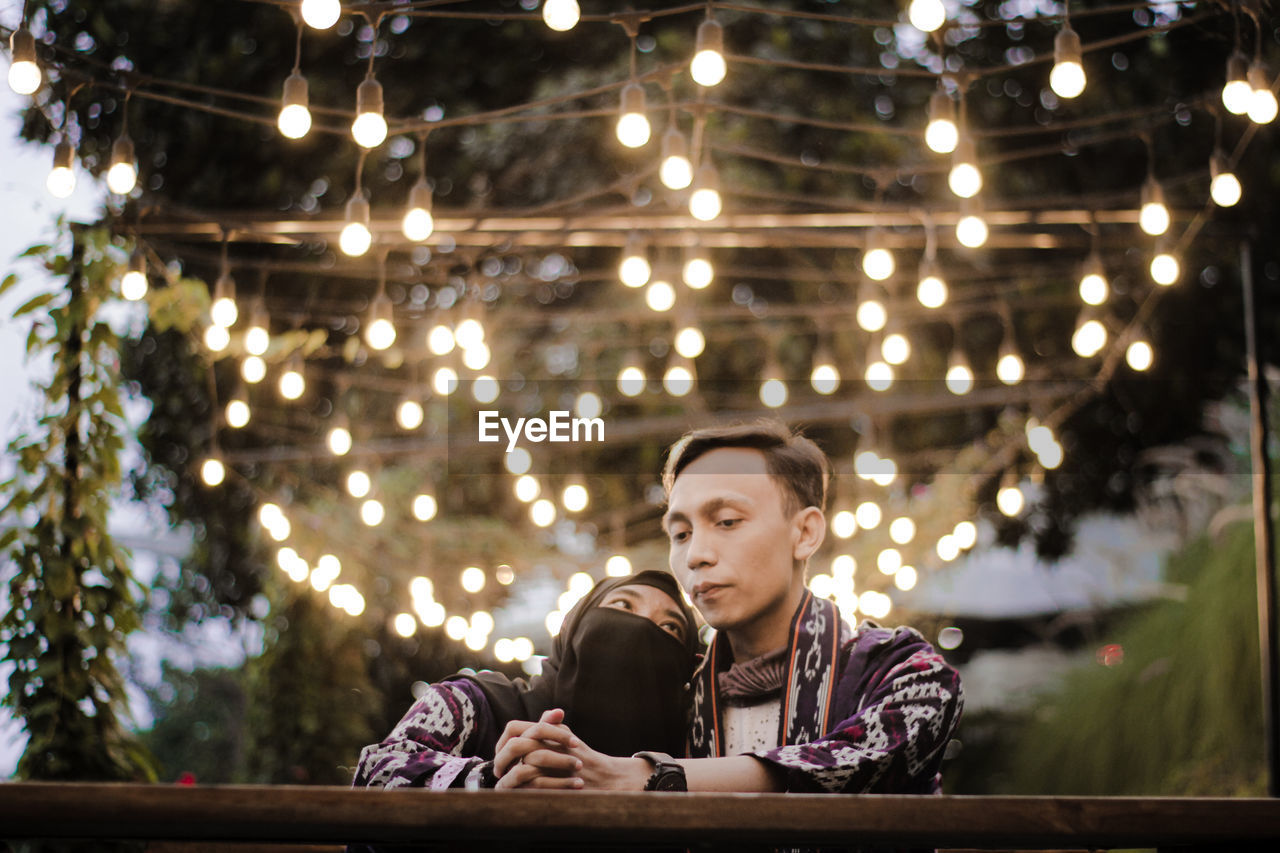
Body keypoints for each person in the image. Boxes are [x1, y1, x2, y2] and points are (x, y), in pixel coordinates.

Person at [496, 421, 963, 795]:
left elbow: (853, 761)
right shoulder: (676, 697)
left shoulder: (901, 670)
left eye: (726, 521)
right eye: (680, 534)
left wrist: (649, 776)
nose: (696, 553)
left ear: (805, 533)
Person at [352, 570, 701, 791]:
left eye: (670, 627)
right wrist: (488, 779)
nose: (642, 629)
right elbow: (375, 775)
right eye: (623, 605)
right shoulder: (470, 704)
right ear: (574, 628)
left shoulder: (689, 754)